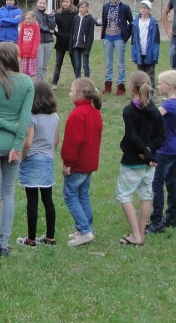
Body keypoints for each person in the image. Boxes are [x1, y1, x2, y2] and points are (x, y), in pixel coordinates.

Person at [0, 42, 35, 257]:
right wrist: (16, 140)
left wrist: (9, 128)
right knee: (8, 194)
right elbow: (25, 119)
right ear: (14, 58)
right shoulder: (26, 82)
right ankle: (4, 244)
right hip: (13, 144)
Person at [116, 71, 165, 246]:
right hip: (150, 163)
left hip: (132, 162)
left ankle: (137, 235)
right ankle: (140, 234)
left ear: (131, 88)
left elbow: (133, 137)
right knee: (146, 196)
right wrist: (149, 153)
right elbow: (161, 137)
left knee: (124, 195)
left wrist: (145, 153)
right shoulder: (155, 110)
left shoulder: (129, 111)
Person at [16, 80, 60, 247]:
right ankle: (50, 237)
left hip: (32, 159)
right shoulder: (55, 117)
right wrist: (48, 151)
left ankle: (31, 239)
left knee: (32, 200)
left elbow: (28, 142)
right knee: (48, 199)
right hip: (47, 159)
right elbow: (55, 140)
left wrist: (22, 157)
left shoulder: (31, 117)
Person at [145, 70, 176, 234]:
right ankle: (171, 217)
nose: (157, 86)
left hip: (165, 150)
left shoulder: (168, 105)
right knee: (171, 183)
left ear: (169, 86)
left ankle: (156, 221)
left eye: (160, 84)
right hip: (174, 148)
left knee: (157, 185)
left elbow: (152, 118)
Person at [62, 77, 103, 246]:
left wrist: (67, 163)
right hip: (89, 162)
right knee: (83, 195)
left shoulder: (77, 115)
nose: (69, 94)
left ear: (79, 94)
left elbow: (71, 143)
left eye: (71, 91)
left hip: (78, 164)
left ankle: (84, 230)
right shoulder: (95, 112)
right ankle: (86, 228)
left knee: (70, 195)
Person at [100, 0, 133, 96]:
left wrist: (126, 35)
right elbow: (104, 21)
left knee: (120, 63)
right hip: (108, 37)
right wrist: (103, 35)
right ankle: (107, 86)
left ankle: (120, 86)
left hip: (119, 37)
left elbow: (131, 22)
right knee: (108, 63)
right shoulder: (106, 6)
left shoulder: (124, 7)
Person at [130, 0, 160, 89]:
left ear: (149, 10)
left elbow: (156, 41)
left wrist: (155, 54)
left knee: (150, 75)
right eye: (142, 8)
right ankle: (140, 91)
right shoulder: (135, 23)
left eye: (145, 8)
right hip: (139, 53)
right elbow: (133, 41)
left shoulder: (153, 23)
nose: (143, 10)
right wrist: (134, 54)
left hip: (150, 53)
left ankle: (150, 92)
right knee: (140, 75)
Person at [51, 0, 77, 87]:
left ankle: (79, 82)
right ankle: (54, 82)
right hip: (60, 41)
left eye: (67, 2)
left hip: (71, 42)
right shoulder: (58, 14)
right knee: (58, 63)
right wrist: (54, 32)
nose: (65, 3)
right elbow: (51, 25)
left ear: (71, 3)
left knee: (75, 63)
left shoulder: (75, 14)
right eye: (63, 2)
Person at [69, 1, 96, 79]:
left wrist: (88, 48)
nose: (81, 9)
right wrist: (71, 46)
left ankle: (87, 81)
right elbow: (72, 32)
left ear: (87, 8)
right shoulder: (76, 18)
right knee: (77, 65)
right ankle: (78, 81)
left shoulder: (90, 19)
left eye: (83, 7)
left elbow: (91, 35)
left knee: (85, 65)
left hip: (84, 46)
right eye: (80, 8)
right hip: (76, 45)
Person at [34, 0, 57, 83]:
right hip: (38, 41)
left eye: (44, 3)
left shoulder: (50, 14)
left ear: (46, 4)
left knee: (44, 66)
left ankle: (42, 83)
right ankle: (37, 84)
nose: (42, 5)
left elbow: (52, 26)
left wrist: (50, 16)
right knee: (39, 65)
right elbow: (37, 26)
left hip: (48, 41)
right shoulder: (34, 14)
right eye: (40, 3)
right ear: (37, 3)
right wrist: (48, 30)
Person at [18, 11, 41, 78]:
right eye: (26, 19)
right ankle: (25, 83)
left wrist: (34, 51)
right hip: (24, 53)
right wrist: (20, 51)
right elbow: (20, 39)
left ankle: (32, 83)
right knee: (24, 71)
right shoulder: (23, 25)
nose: (27, 20)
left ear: (34, 19)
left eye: (29, 19)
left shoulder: (36, 26)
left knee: (32, 71)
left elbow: (37, 40)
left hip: (31, 54)